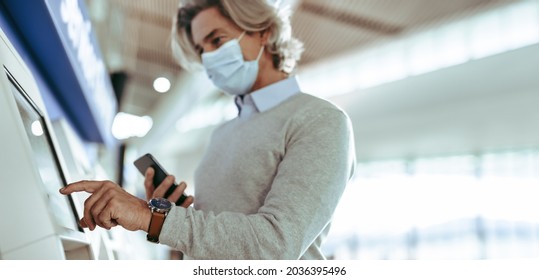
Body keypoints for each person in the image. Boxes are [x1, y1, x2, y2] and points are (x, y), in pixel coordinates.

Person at [60, 0, 356, 260]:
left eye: (216, 40)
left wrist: (150, 217)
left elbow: (276, 245)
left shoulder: (320, 120)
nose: (208, 58)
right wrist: (174, 211)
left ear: (264, 30)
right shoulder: (224, 132)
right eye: (201, 50)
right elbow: (215, 239)